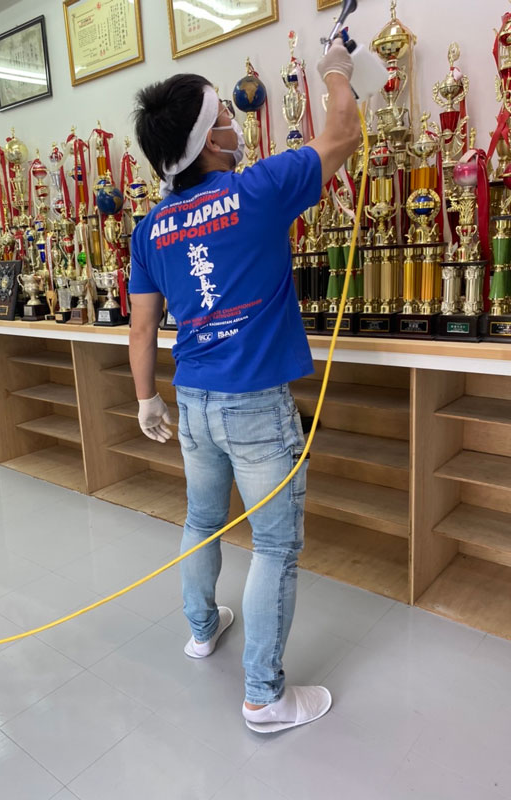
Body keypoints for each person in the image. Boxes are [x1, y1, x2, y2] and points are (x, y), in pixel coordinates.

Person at [128, 38, 359, 733]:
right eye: (227, 116)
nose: (236, 123)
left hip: (193, 401)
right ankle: (264, 696)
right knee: (276, 546)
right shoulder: (255, 190)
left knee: (202, 521)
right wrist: (336, 71)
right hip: (254, 407)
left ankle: (202, 631)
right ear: (208, 141)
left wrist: (146, 399)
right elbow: (343, 133)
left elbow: (142, 327)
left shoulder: (150, 228)